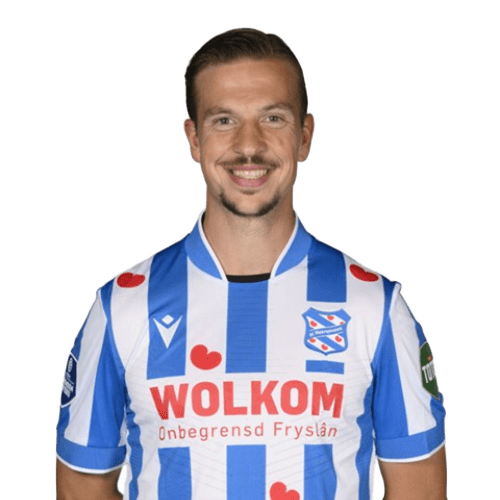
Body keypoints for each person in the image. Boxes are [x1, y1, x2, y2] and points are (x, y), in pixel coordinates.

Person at [56, 28, 447, 500]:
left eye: (273, 118)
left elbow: (421, 491)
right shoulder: (121, 306)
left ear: (304, 137)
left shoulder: (374, 306)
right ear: (194, 139)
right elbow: (80, 485)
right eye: (224, 120)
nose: (249, 145)